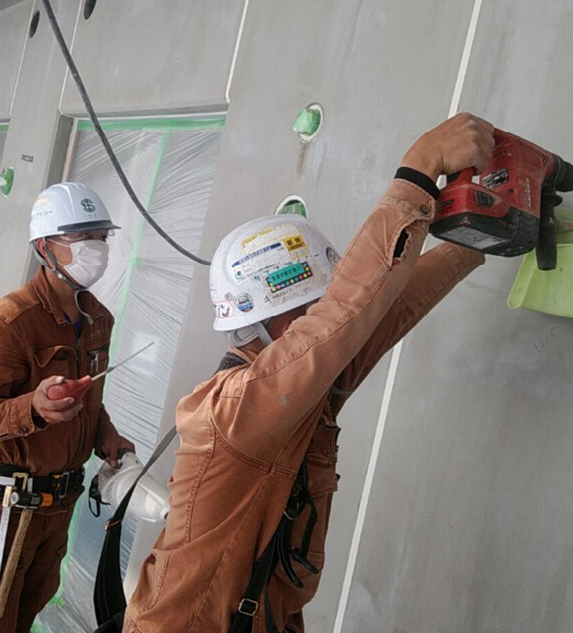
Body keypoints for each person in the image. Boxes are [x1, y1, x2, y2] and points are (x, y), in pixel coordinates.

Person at [122, 113, 495, 633]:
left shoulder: (299, 393)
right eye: (314, 305)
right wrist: (419, 169)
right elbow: (345, 316)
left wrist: (477, 238)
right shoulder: (236, 411)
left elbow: (382, 314)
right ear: (273, 317)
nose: (329, 313)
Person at [0, 182, 135, 633]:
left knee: (24, 617)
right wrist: (31, 408)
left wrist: (104, 434)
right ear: (44, 247)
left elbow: (87, 401)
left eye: (100, 237)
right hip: (2, 515)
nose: (96, 249)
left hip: (56, 512)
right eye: (80, 238)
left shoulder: (98, 320)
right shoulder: (8, 322)